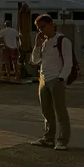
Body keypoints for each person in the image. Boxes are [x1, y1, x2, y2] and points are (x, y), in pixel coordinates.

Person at [31, 14, 73, 150]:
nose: (41, 30)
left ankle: (63, 140)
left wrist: (62, 78)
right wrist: (37, 46)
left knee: (60, 111)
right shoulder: (43, 42)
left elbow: (68, 62)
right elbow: (35, 60)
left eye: (43, 27)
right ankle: (48, 137)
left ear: (51, 24)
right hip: (43, 78)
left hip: (56, 78)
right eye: (38, 28)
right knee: (46, 110)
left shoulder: (62, 40)